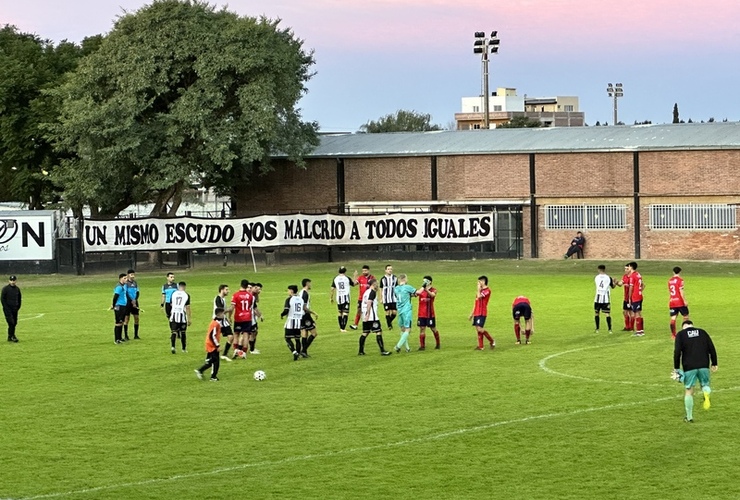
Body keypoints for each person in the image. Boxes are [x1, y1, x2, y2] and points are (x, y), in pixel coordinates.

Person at [673, 320, 718, 423]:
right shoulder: (702, 332)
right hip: (704, 365)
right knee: (705, 384)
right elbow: (711, 348)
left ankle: (689, 417)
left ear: (683, 326)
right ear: (692, 325)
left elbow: (677, 352)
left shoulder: (681, 334)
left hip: (689, 367)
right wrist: (714, 363)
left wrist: (676, 368)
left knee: (689, 391)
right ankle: (706, 392)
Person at [358, 279, 391, 356]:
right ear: (373, 284)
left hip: (365, 316)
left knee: (365, 332)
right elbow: (369, 302)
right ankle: (382, 350)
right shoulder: (372, 292)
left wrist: (365, 315)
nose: (378, 285)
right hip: (372, 317)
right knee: (378, 331)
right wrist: (368, 313)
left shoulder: (366, 292)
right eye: (377, 284)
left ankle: (360, 351)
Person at [194, 307, 224, 382]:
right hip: (211, 345)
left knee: (214, 360)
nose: (224, 315)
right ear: (219, 314)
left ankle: (212, 376)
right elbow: (212, 336)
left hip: (210, 343)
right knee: (215, 360)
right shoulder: (215, 324)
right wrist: (217, 345)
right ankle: (202, 371)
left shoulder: (216, 322)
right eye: (223, 313)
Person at [393, 274, 417, 353]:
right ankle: (398, 346)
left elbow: (406, 295)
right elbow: (418, 292)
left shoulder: (396, 288)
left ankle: (407, 348)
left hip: (399, 310)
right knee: (407, 330)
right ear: (404, 279)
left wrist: (412, 295)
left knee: (402, 329)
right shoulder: (407, 287)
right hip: (407, 310)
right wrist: (424, 285)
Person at [469, 276, 495, 350]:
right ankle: (481, 346)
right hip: (477, 312)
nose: (478, 283)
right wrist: (472, 313)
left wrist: (478, 289)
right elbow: (476, 303)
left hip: (482, 312)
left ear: (483, 281)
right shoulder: (479, 291)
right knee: (478, 329)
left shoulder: (487, 290)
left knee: (480, 329)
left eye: (479, 282)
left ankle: (492, 341)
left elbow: (480, 297)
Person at [230, 279, 253, 358]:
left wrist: (229, 316)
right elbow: (250, 306)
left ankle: (236, 350)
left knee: (236, 334)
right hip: (247, 317)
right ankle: (244, 352)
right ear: (247, 286)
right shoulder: (250, 296)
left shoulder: (236, 295)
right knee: (246, 335)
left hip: (238, 317)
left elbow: (232, 307)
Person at [417, 275, 440, 350]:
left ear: (430, 282)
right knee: (422, 328)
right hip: (421, 313)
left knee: (433, 328)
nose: (424, 282)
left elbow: (432, 295)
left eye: (425, 281)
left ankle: (438, 343)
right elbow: (415, 294)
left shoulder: (433, 290)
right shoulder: (421, 290)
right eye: (423, 281)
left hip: (430, 313)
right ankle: (422, 346)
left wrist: (426, 290)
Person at [281, 285, 304, 361]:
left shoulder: (289, 299)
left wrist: (282, 314)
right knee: (297, 339)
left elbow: (286, 310)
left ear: (291, 291)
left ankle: (294, 352)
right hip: (298, 321)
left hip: (291, 322)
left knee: (287, 339)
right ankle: (298, 352)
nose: (288, 292)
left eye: (288, 290)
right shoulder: (301, 299)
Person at [330, 266, 354, 332]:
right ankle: (343, 328)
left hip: (339, 298)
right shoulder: (347, 278)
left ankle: (341, 327)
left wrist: (331, 298)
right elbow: (354, 284)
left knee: (340, 312)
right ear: (345, 271)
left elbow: (332, 289)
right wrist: (355, 276)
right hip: (346, 298)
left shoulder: (335, 278)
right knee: (345, 313)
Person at [169, 281, 191, 354]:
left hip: (174, 315)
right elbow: (187, 307)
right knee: (183, 333)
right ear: (184, 287)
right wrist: (189, 319)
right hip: (182, 316)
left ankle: (173, 347)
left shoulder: (173, 293)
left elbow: (171, 304)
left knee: (173, 332)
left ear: (179, 286)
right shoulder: (186, 295)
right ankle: (184, 349)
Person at [350, 265, 375, 330]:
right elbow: (353, 284)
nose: (364, 272)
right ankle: (355, 324)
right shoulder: (360, 277)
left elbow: (375, 286)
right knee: (359, 310)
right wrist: (355, 276)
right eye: (363, 271)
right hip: (361, 298)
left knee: (370, 310)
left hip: (369, 298)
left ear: (368, 271)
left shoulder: (372, 278)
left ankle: (371, 324)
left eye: (365, 271)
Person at [214, 284, 234, 362]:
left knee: (231, 337)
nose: (228, 291)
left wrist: (227, 318)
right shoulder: (217, 299)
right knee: (215, 338)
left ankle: (224, 354)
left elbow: (223, 312)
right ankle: (211, 355)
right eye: (226, 289)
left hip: (223, 320)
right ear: (222, 290)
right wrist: (229, 309)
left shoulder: (223, 299)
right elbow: (220, 311)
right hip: (217, 321)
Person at [668, 267, 690, 340]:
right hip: (679, 301)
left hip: (672, 301)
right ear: (680, 272)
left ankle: (673, 335)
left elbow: (670, 291)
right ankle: (685, 332)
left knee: (673, 318)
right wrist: (684, 300)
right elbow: (681, 291)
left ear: (673, 272)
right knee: (686, 316)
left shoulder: (670, 281)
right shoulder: (680, 280)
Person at [300, 278, 319, 357]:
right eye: (310, 283)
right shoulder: (305, 293)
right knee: (314, 333)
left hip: (300, 315)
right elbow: (304, 307)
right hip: (305, 315)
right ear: (307, 284)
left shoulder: (301, 292)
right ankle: (303, 350)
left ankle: (304, 352)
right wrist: (313, 312)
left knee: (304, 333)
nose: (311, 285)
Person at [594, 265, 615, 334]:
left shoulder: (596, 277)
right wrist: (614, 282)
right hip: (605, 298)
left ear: (598, 269)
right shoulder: (608, 278)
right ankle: (610, 329)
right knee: (607, 313)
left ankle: (597, 329)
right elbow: (613, 286)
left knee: (597, 313)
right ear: (604, 269)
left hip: (597, 298)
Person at [626, 262, 645, 336]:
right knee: (639, 313)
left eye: (629, 267)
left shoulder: (632, 276)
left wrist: (630, 298)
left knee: (636, 313)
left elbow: (631, 287)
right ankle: (641, 330)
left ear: (631, 267)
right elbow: (643, 285)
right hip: (640, 296)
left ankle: (639, 331)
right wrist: (639, 291)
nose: (628, 268)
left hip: (635, 297)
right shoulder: (638, 274)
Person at [1, 275, 21, 343]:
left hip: (14, 309)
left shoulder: (17, 289)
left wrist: (18, 307)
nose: (12, 282)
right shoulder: (5, 289)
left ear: (16, 281)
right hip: (7, 309)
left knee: (14, 322)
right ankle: (12, 336)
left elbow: (19, 299)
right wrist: (6, 308)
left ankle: (10, 336)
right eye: (11, 280)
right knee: (11, 322)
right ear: (9, 281)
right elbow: (2, 299)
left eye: (14, 280)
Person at [109, 273, 128, 344]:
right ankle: (116, 339)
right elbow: (115, 296)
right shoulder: (119, 287)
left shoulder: (123, 286)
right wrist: (113, 305)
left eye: (126, 278)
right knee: (118, 322)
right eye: (125, 278)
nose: (126, 280)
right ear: (121, 279)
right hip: (119, 306)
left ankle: (120, 338)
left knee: (121, 322)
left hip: (123, 306)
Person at [123, 269, 140, 340]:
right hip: (128, 303)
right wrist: (131, 301)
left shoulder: (135, 283)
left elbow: (138, 292)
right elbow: (125, 293)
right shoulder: (126, 284)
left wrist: (135, 300)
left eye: (133, 274)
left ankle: (136, 335)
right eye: (131, 274)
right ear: (128, 275)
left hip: (135, 302)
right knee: (127, 318)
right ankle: (126, 335)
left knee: (136, 318)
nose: (133, 276)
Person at [380, 265, 398, 330]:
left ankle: (389, 321)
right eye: (388, 269)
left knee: (394, 312)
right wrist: (381, 298)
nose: (390, 270)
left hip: (393, 297)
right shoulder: (383, 279)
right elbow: (381, 289)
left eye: (391, 269)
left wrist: (398, 296)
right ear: (385, 270)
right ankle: (389, 326)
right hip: (386, 298)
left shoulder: (395, 278)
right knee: (387, 312)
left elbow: (397, 288)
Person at [617, 264, 633, 331]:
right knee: (625, 312)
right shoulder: (625, 276)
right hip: (625, 298)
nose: (625, 270)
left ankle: (631, 327)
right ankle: (627, 327)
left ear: (630, 269)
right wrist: (617, 282)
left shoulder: (633, 277)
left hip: (631, 298)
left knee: (630, 312)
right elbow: (621, 283)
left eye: (627, 269)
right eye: (625, 269)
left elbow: (640, 286)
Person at [248, 282, 263, 354]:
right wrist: (259, 315)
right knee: (250, 333)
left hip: (252, 317)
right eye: (256, 288)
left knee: (254, 332)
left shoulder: (253, 295)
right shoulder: (250, 296)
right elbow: (254, 308)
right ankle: (251, 350)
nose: (258, 290)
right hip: (249, 317)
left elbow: (256, 302)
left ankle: (252, 348)